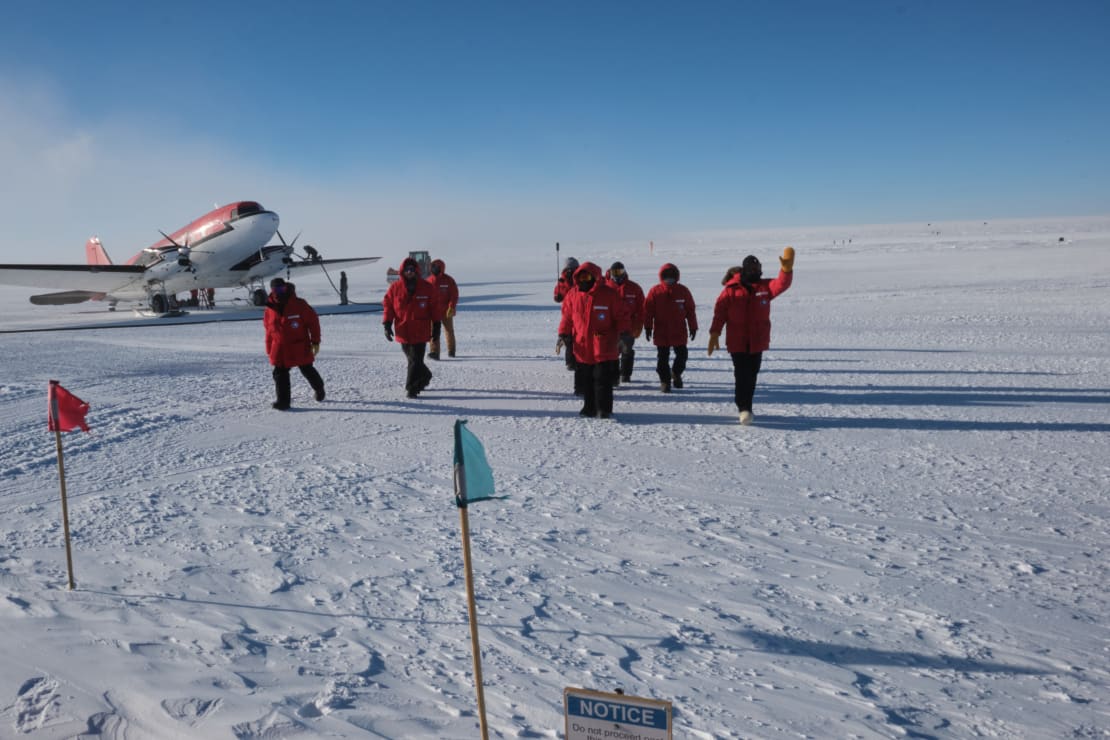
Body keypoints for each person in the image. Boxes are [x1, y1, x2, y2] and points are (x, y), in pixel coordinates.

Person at [708, 247, 795, 425]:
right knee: (742, 374)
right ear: (745, 270)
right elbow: (720, 314)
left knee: (753, 374)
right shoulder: (730, 291)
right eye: (753, 270)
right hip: (737, 342)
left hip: (757, 340)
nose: (756, 272)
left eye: (758, 269)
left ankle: (747, 404)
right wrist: (715, 333)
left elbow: (781, 284)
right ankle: (744, 408)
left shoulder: (764, 287)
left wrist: (786, 270)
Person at [557, 262, 631, 419]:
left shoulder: (609, 294)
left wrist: (624, 333)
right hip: (583, 346)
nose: (584, 279)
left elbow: (622, 315)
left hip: (603, 346)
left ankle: (604, 409)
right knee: (587, 379)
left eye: (587, 276)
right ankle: (589, 407)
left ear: (595, 277)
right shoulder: (573, 294)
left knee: (602, 379)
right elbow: (567, 317)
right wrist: (563, 333)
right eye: (581, 276)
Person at [383, 256, 444, 398]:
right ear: (402, 271)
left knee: (415, 360)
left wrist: (436, 326)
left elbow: (435, 308)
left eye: (412, 269)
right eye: (407, 270)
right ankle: (425, 376)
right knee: (412, 360)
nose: (409, 272)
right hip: (403, 330)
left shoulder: (427, 288)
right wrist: (387, 324)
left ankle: (412, 388)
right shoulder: (395, 288)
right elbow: (388, 306)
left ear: (416, 270)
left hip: (420, 330)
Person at [264, 278, 325, 410]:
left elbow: (313, 323)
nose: (279, 292)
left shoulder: (299, 304)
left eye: (281, 289)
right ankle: (283, 402)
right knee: (279, 373)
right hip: (279, 348)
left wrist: (315, 341)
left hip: (299, 345)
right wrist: (269, 347)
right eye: (276, 289)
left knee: (307, 369)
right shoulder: (270, 307)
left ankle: (319, 389)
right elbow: (269, 330)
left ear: (286, 288)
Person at [643, 263, 698, 393]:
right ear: (661, 277)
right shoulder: (655, 291)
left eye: (672, 276)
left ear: (676, 276)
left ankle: (676, 373)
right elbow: (648, 311)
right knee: (662, 359)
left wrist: (693, 326)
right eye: (666, 276)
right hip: (661, 330)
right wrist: (648, 327)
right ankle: (665, 381)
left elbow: (690, 310)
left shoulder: (683, 291)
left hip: (679, 330)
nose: (669, 278)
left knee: (682, 355)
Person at [604, 261, 645, 385]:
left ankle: (625, 374)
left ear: (624, 271)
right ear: (610, 273)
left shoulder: (634, 287)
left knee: (627, 350)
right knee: (613, 352)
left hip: (629, 326)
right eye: (615, 272)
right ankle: (614, 377)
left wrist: (640, 323)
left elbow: (642, 307)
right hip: (611, 327)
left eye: (620, 272)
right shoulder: (605, 288)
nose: (617, 275)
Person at [427, 259, 459, 360]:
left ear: (441, 268)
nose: (434, 268)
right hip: (433, 312)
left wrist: (451, 306)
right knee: (433, 332)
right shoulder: (428, 281)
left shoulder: (449, 280)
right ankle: (434, 352)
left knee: (449, 331)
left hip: (446, 311)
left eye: (436, 266)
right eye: (433, 266)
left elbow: (454, 295)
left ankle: (451, 351)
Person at [553, 257, 579, 371]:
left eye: (574, 268)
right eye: (569, 268)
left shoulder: (581, 278)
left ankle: (581, 360)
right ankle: (570, 363)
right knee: (568, 338)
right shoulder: (562, 281)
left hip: (580, 311)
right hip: (567, 313)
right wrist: (557, 296)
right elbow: (557, 294)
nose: (571, 270)